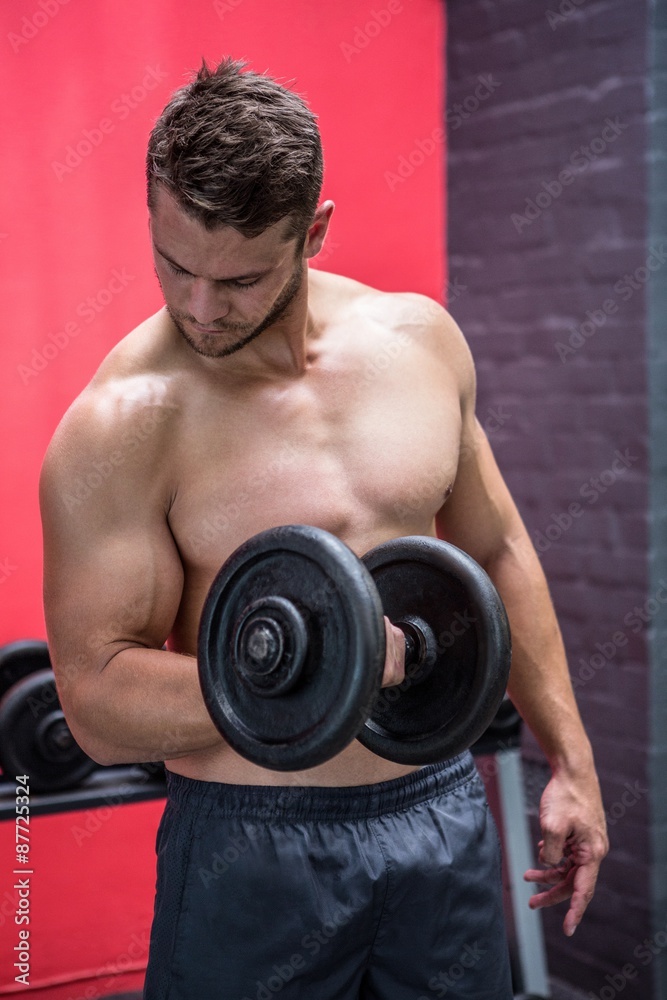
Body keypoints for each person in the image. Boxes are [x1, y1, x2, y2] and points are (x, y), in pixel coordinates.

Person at [40, 58, 608, 999]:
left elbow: (494, 549)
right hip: (250, 852)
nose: (198, 307)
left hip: (439, 815)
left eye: (239, 278)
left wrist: (574, 764)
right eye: (174, 265)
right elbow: (96, 702)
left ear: (314, 232)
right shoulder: (123, 423)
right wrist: (321, 674)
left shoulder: (418, 343)